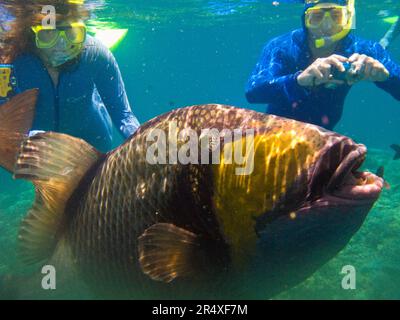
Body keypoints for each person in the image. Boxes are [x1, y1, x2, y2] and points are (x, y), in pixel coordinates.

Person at [0, 0, 140, 152]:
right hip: (35, 155)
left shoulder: (96, 54)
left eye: (72, 34)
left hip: (93, 150)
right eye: (48, 34)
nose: (61, 46)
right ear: (31, 34)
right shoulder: (9, 62)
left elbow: (123, 115)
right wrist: (29, 138)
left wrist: (141, 144)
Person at [245, 0, 400, 130]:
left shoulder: (364, 49)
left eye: (336, 16)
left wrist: (387, 78)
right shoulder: (281, 46)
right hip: (277, 134)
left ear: (348, 19)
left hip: (323, 138)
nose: (326, 27)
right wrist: (298, 80)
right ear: (305, 20)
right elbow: (253, 91)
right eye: (317, 17)